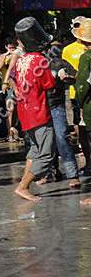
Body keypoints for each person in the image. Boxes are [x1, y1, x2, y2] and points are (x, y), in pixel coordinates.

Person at [13, 17, 56, 203]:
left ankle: (24, 186)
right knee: (46, 154)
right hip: (39, 113)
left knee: (34, 151)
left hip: (25, 113)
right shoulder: (40, 60)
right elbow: (49, 84)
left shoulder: (21, 60)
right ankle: (23, 186)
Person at [46, 41, 80, 187]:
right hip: (40, 107)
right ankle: (51, 172)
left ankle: (72, 174)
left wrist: (66, 76)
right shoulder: (36, 63)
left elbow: (75, 76)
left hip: (56, 105)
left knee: (61, 137)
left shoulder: (59, 62)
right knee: (46, 141)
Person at [64, 17, 91, 175]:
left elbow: (84, 82)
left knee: (86, 129)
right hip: (74, 94)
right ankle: (88, 161)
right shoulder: (68, 50)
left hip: (84, 96)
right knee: (80, 129)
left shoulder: (86, 56)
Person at [0, 38, 22, 142]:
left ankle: (15, 131)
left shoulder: (18, 55)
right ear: (6, 47)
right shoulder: (4, 56)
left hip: (19, 85)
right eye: (9, 46)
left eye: (13, 46)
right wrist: (6, 54)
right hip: (8, 86)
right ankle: (9, 133)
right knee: (10, 109)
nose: (12, 48)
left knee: (18, 110)